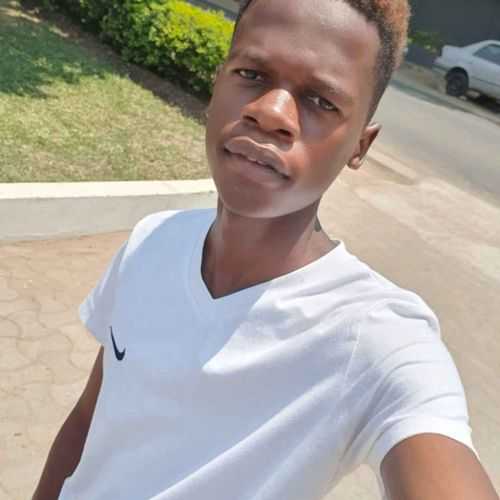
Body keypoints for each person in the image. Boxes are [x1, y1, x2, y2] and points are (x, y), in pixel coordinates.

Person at [33, 0, 499, 499]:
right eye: (252, 74)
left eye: (321, 101)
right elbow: (89, 420)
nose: (271, 112)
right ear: (217, 86)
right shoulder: (152, 241)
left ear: (359, 147)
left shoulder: (372, 339)